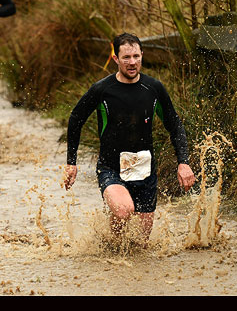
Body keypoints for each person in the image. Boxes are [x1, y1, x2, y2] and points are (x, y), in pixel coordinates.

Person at [63, 32, 196, 245]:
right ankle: (111, 249)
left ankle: (111, 246)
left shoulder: (153, 88)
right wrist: (71, 163)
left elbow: (174, 124)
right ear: (116, 59)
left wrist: (183, 162)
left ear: (142, 55)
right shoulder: (102, 90)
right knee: (124, 211)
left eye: (136, 56)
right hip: (111, 167)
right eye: (126, 57)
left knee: (141, 244)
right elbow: (76, 118)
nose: (132, 62)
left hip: (145, 170)